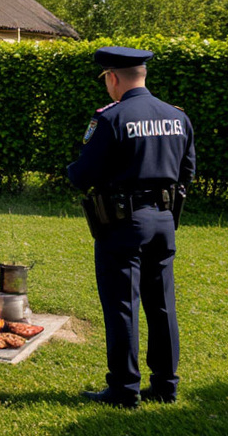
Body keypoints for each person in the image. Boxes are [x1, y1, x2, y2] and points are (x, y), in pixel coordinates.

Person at [68, 46, 195, 409]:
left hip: (123, 223)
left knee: (123, 305)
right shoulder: (176, 117)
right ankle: (166, 385)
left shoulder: (111, 118)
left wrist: (72, 172)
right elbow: (187, 172)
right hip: (164, 220)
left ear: (113, 78)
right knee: (162, 305)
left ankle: (124, 389)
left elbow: (85, 174)